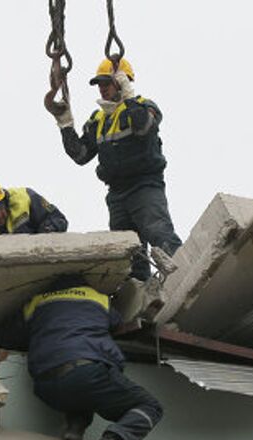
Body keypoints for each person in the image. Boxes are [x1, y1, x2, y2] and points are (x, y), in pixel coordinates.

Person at [0, 275, 163, 440]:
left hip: (45, 386)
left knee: (83, 391)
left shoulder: (37, 302)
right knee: (150, 406)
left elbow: (4, 336)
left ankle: (75, 427)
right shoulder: (99, 298)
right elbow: (118, 323)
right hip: (86, 373)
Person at [52, 57, 181, 280]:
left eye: (107, 83)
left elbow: (142, 128)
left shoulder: (145, 106)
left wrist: (129, 97)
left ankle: (184, 275)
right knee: (130, 251)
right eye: (100, 84)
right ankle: (141, 291)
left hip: (144, 186)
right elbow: (81, 155)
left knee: (159, 232)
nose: (102, 89)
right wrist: (65, 125)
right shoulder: (98, 119)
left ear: (122, 82)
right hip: (117, 194)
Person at [0, 176, 68, 237]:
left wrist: (47, 231)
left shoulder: (25, 197)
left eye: (0, 207)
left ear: (4, 199)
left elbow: (58, 219)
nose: (0, 215)